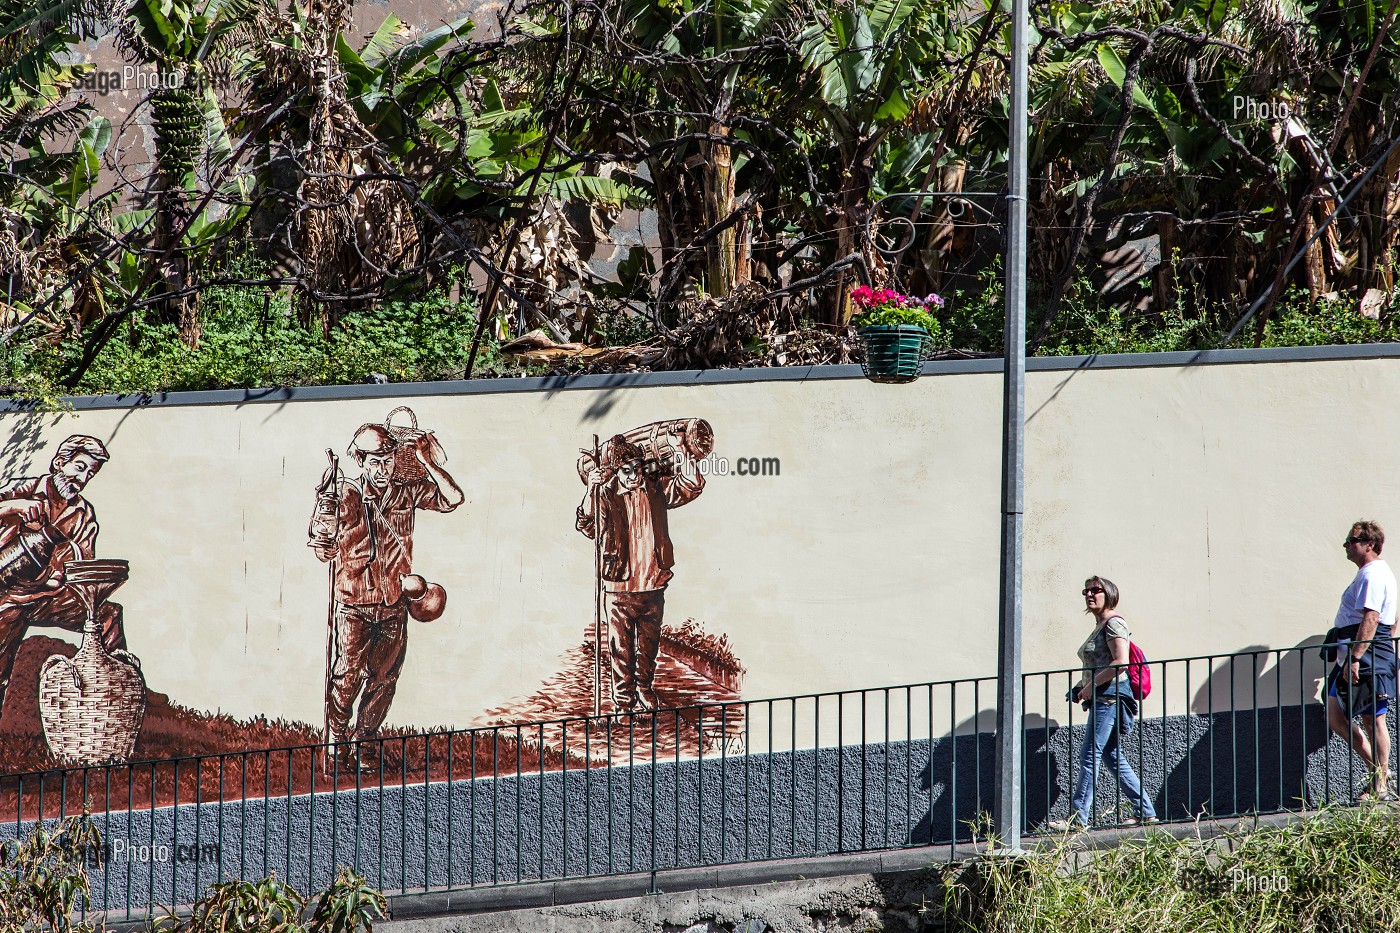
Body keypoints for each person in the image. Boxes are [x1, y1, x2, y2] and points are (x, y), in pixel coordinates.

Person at [311, 423, 463, 770]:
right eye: (375, 462)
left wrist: (428, 461)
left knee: (384, 679)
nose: (383, 469)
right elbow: (322, 548)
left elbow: (453, 499)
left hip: (394, 603)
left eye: (389, 460)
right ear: (361, 461)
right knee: (346, 676)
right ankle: (336, 744)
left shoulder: (407, 493)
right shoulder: (344, 495)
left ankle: (365, 747)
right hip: (353, 604)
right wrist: (326, 519)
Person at [576, 435, 704, 712]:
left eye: (636, 467)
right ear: (616, 471)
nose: (633, 474)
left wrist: (682, 449)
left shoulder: (655, 489)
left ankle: (644, 690)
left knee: (648, 647)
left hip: (653, 584)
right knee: (620, 650)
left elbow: (692, 485)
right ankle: (624, 702)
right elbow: (588, 526)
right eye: (626, 469)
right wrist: (590, 488)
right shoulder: (606, 494)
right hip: (619, 586)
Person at [0, 435, 125, 715]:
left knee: (107, 615)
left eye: (90, 474)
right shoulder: (25, 488)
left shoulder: (83, 515)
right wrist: (14, 507)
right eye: (79, 468)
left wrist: (69, 577)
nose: (82, 478)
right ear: (59, 463)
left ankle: (109, 698)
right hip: (7, 591)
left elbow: (84, 562)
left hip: (50, 595)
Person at [1047, 576, 1158, 831]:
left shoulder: (1114, 623)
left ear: (1109, 593)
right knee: (1112, 757)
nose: (1089, 594)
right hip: (1103, 697)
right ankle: (1146, 811)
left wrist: (1089, 687)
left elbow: (1120, 662)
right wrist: (1079, 688)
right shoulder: (1100, 626)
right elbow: (1097, 664)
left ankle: (1078, 820)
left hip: (1110, 699)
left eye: (1095, 590)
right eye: (1086, 590)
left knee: (1090, 756)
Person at [1324, 520, 1397, 801]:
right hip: (1355, 656)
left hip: (1363, 658)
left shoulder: (1374, 575)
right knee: (1336, 716)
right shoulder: (1369, 574)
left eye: (1352, 540)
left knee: (1373, 720)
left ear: (1370, 544)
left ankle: (1380, 781)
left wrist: (1358, 657)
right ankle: (1377, 772)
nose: (1346, 545)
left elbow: (1372, 618)